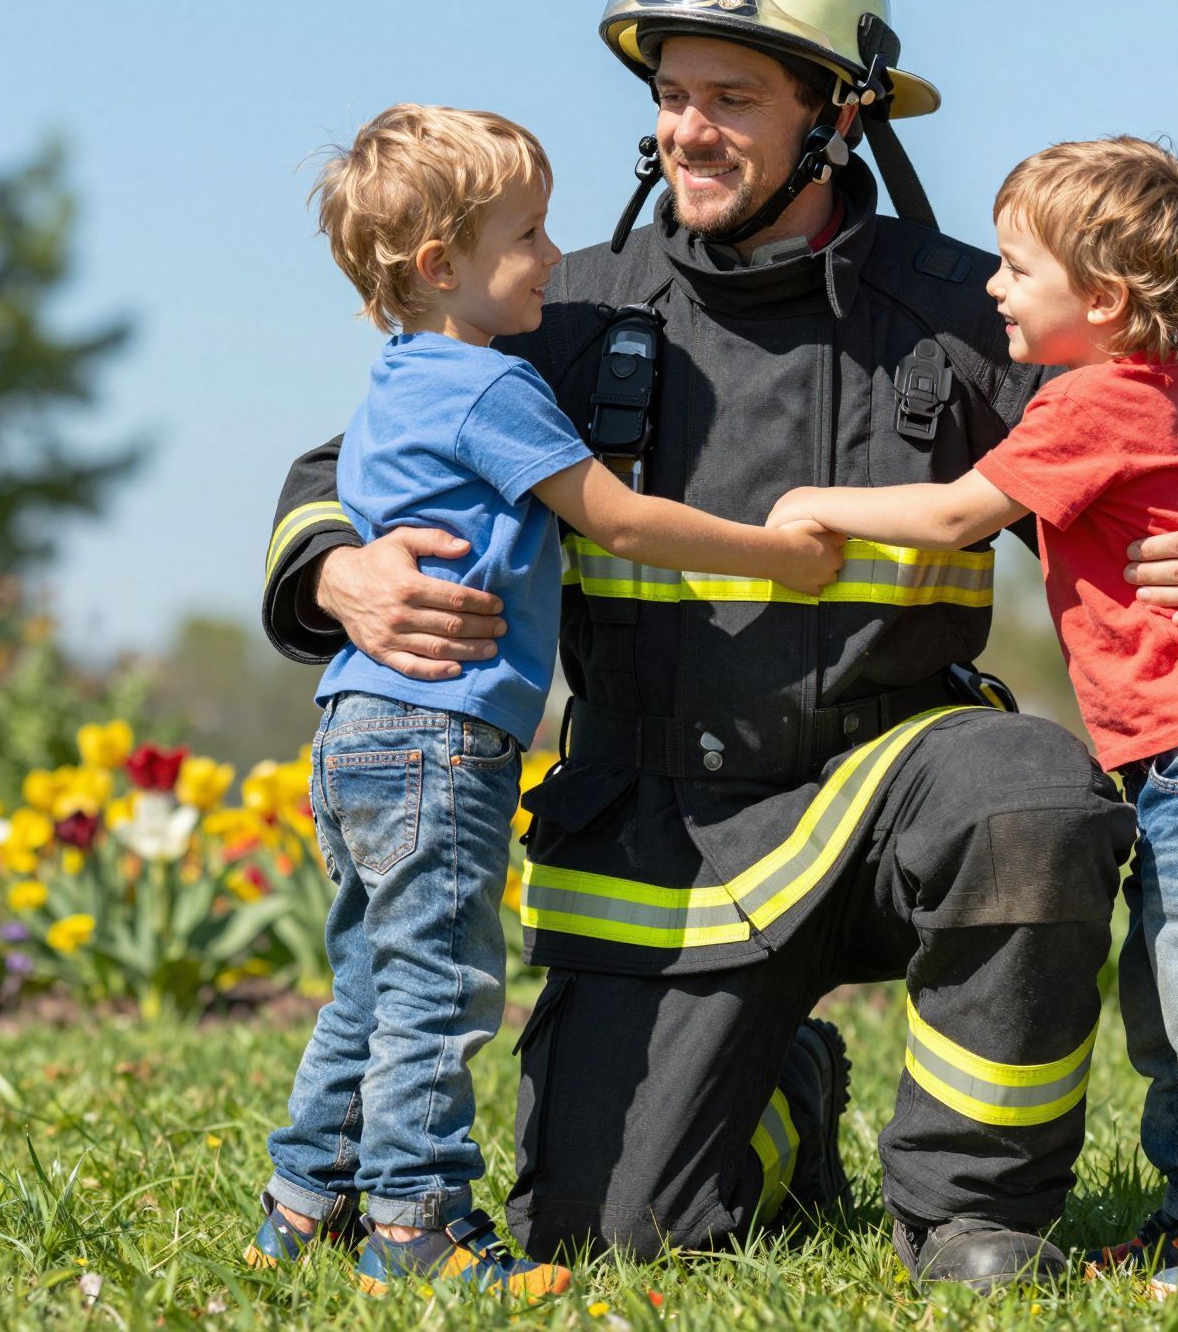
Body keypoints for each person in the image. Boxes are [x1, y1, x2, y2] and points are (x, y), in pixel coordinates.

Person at [260, 0, 1178, 1292]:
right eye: (669, 94)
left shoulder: (974, 309)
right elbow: (341, 465)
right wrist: (339, 572)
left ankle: (970, 1213)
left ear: (835, 113)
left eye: (732, 95)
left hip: (906, 786)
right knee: (613, 1232)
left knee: (1032, 800)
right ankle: (791, 1097)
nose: (685, 128)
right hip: (663, 832)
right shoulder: (562, 311)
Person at [247, 104, 843, 1297]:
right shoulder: (489, 388)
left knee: (369, 973)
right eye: (526, 235)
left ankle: (305, 1200)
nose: (553, 258)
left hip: (356, 724)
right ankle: (417, 1226)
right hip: (440, 734)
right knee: (440, 988)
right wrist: (775, 553)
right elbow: (613, 516)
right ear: (440, 268)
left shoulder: (395, 386)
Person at [768, 136, 1178, 1297]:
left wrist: (813, 501)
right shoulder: (1160, 382)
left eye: (1014, 269)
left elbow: (950, 516)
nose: (993, 287)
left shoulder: (1091, 404)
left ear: (1100, 299)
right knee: (1171, 999)